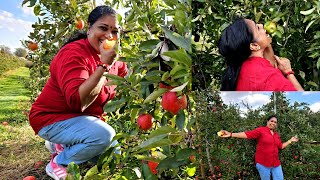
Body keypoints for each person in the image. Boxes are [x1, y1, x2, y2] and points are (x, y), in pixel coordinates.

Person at [28, 5, 127, 180]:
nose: (109, 36)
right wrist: (103, 67)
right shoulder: (74, 53)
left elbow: (133, 73)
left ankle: (62, 143)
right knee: (103, 136)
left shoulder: (111, 60)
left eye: (115, 31)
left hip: (77, 120)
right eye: (103, 28)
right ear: (89, 29)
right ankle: (60, 162)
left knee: (114, 155)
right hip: (50, 118)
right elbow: (78, 102)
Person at [218, 18, 304, 91]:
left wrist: (265, 42)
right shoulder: (268, 76)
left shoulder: (241, 69)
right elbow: (303, 103)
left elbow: (269, 60)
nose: (262, 25)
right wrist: (288, 72)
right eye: (257, 28)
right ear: (254, 45)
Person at [218, 115, 299, 180]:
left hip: (276, 164)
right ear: (267, 122)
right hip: (263, 164)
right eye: (272, 121)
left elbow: (281, 146)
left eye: (275, 122)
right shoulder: (261, 130)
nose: (273, 123)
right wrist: (231, 134)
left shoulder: (276, 135)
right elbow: (247, 134)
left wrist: (290, 140)